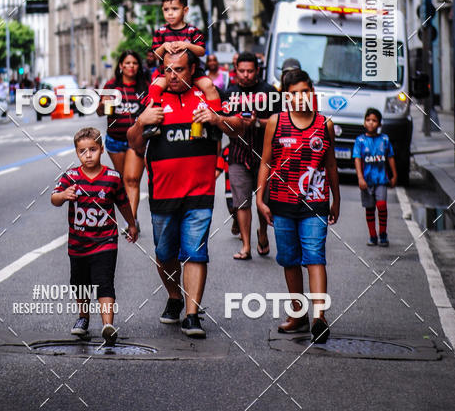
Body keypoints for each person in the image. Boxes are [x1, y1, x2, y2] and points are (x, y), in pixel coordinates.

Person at [127, 48, 236, 339]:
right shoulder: (154, 99)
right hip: (163, 193)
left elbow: (239, 127)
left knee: (195, 252)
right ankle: (175, 296)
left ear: (193, 71)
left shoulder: (208, 97)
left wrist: (216, 119)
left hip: (199, 192)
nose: (173, 76)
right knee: (165, 254)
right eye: (168, 71)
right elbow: (134, 143)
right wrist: (142, 120)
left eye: (179, 70)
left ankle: (191, 315)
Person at [257, 68, 340, 344]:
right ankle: (298, 314)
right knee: (289, 259)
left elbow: (330, 165)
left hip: (315, 201)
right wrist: (260, 197)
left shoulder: (324, 124)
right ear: (285, 96)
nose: (300, 97)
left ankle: (319, 318)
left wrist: (336, 199)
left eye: (305, 91)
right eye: (294, 93)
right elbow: (266, 162)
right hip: (281, 202)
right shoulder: (275, 122)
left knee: (315, 255)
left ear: (312, 92)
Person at [51, 127, 138, 346]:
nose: (88, 155)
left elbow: (123, 203)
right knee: (79, 282)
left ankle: (108, 324)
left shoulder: (112, 178)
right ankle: (83, 317)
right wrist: (63, 195)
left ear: (101, 149)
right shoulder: (70, 177)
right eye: (82, 151)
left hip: (105, 241)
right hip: (78, 244)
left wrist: (131, 223)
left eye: (93, 149)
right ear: (76, 153)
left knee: (104, 282)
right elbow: (54, 198)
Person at [221, 52, 275, 259]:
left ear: (257, 71)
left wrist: (257, 122)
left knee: (264, 201)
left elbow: (280, 122)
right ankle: (246, 246)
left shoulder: (270, 92)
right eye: (241, 71)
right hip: (237, 155)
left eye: (250, 71)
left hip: (265, 157)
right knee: (241, 202)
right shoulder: (229, 93)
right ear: (236, 71)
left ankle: (263, 233)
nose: (245, 75)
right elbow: (223, 121)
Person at [97, 52, 149, 220]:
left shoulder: (144, 86)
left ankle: (131, 221)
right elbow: (99, 112)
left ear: (139, 66)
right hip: (115, 141)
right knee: (123, 181)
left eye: (134, 63)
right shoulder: (111, 86)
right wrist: (103, 104)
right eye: (127, 63)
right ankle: (130, 216)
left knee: (132, 180)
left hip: (136, 141)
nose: (131, 66)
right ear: (120, 66)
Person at [148, 0, 219, 108]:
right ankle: (154, 117)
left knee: (208, 86)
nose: (170, 13)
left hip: (193, 73)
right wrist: (164, 46)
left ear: (185, 10)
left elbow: (201, 51)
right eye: (166, 9)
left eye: (175, 9)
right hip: (167, 74)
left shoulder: (193, 31)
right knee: (154, 88)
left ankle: (216, 114)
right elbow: (155, 55)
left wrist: (187, 45)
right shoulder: (160, 32)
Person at [353, 109, 397, 246]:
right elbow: (357, 159)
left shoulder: (384, 139)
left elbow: (390, 157)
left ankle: (383, 233)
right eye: (368, 120)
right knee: (370, 208)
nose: (371, 123)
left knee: (382, 205)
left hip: (381, 180)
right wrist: (360, 178)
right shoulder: (360, 141)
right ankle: (373, 235)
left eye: (374, 120)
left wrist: (394, 175)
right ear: (364, 122)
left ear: (379, 123)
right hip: (367, 180)